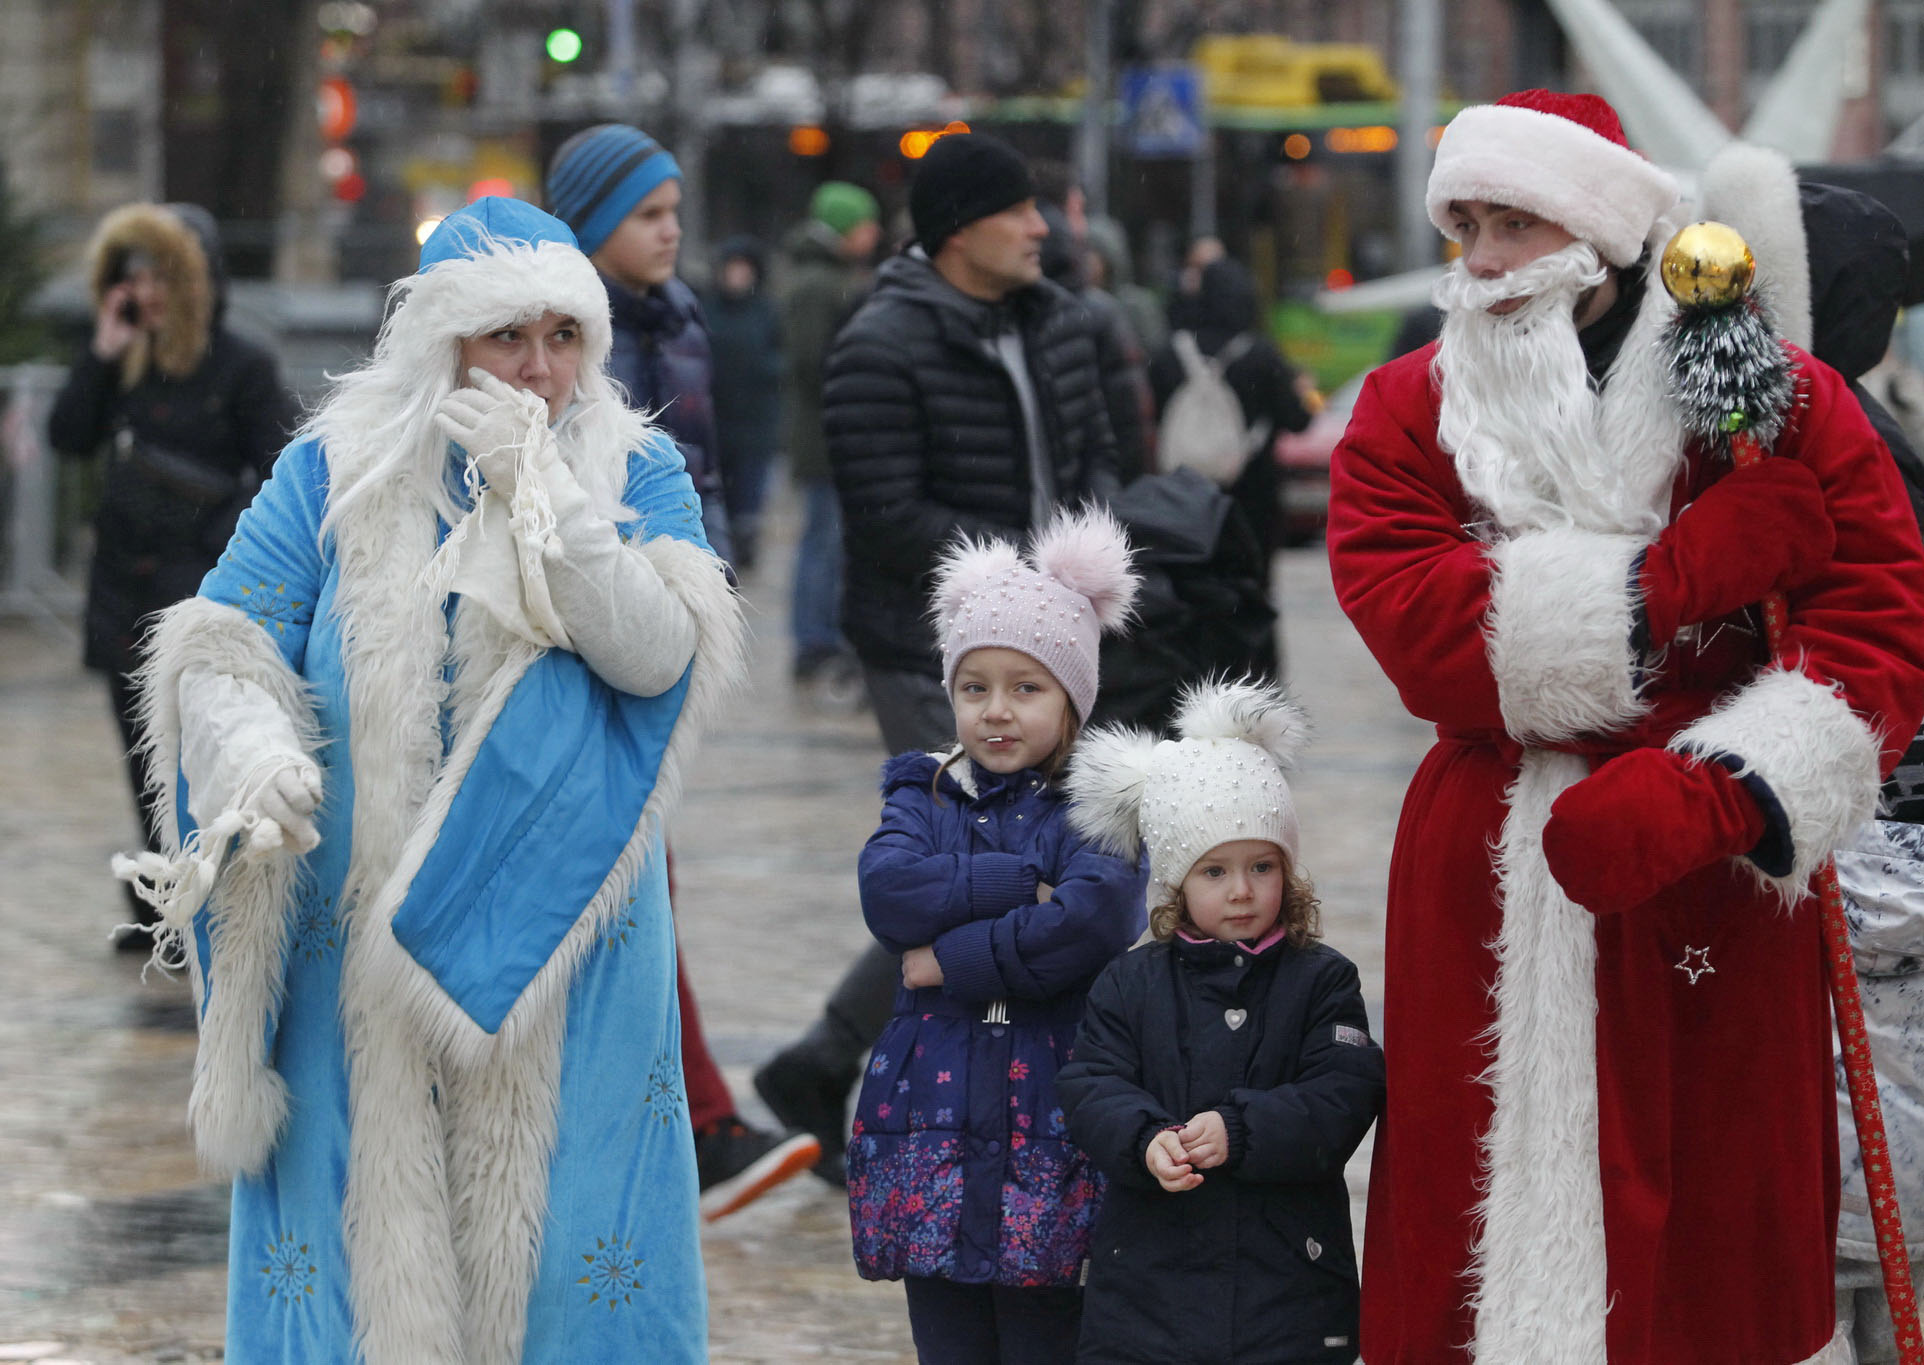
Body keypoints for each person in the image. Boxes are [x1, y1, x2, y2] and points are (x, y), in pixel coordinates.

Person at [1325, 89, 1924, 1363]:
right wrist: (1661, 587)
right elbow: (1417, 630)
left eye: (1513, 225)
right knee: (1478, 1191)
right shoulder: (1400, 410)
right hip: (1494, 853)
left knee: (1717, 1213)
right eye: (1464, 227)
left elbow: (1877, 623)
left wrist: (1732, 788)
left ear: (1599, 230)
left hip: (1713, 870)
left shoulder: (1777, 398)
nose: (1480, 264)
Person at [115, 197, 739, 1362]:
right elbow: (220, 644)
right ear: (439, 341)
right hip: (355, 925)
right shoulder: (329, 472)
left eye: (565, 337)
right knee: (360, 1238)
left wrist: (551, 503)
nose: (541, 369)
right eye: (509, 337)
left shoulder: (636, 465)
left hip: (571, 934)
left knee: (567, 1243)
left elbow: (657, 653)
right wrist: (251, 753)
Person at [754, 132, 1122, 1182]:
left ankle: (842, 1067)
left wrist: (1086, 566)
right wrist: (1012, 586)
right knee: (973, 868)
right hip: (930, 650)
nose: (1042, 227)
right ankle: (858, 1068)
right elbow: (884, 511)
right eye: (1021, 210)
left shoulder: (1059, 321)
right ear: (962, 228)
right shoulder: (881, 340)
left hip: (1059, 643)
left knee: (1024, 861)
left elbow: (1097, 453)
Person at [547, 124, 821, 1215]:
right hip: (590, 629)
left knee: (634, 875)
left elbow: (711, 453)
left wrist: (725, 549)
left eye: (673, 211)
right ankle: (695, 1124)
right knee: (632, 876)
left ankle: (669, 1123)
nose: (672, 233)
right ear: (595, 224)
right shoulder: (567, 332)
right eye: (648, 215)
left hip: (673, 619)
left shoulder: (680, 317)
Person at [1700, 142, 1924, 1365]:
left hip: (1860, 856)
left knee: (1841, 1219)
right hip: (1853, 856)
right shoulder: (1812, 437)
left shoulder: (1836, 452)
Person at [845, 506, 1147, 1364]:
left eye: (1026, 687)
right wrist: (1012, 881)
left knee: (1045, 1332)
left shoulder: (1098, 809)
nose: (997, 711)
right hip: (926, 1120)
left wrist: (947, 958)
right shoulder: (923, 793)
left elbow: (1088, 922)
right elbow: (890, 890)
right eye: (974, 687)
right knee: (947, 1334)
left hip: (1052, 1118)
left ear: (1072, 696)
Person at [1058, 679, 1384, 1363]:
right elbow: (1091, 1084)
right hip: (1147, 1299)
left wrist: (1241, 1129)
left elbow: (1343, 1093)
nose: (1242, 889)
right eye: (1215, 870)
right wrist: (1145, 1138)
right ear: (1176, 881)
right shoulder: (1130, 980)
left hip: (1287, 1293)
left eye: (1262, 865)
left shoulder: (1322, 978)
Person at [47, 200, 296, 948]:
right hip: (123, 584)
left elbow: (283, 470)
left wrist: (216, 541)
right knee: (140, 752)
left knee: (200, 753)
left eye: (159, 275)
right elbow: (69, 435)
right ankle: (160, 905)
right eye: (132, 277)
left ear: (193, 279)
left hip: (194, 589)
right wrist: (101, 350)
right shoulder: (127, 359)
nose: (146, 291)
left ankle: (211, 904)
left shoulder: (242, 364)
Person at [778, 180, 880, 685]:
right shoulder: (820, 284)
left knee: (825, 538)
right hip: (824, 436)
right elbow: (812, 361)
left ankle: (817, 635)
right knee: (823, 539)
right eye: (865, 223)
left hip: (826, 432)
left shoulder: (828, 278)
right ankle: (812, 640)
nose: (873, 232)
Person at [1148, 255, 1314, 558]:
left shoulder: (1169, 354)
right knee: (1248, 584)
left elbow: (1152, 415)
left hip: (1184, 496)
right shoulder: (1262, 355)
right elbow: (1297, 419)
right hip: (1252, 498)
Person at [702, 235, 783, 572]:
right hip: (716, 421)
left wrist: (762, 369)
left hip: (754, 422)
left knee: (751, 496)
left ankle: (745, 547)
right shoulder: (706, 309)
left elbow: (782, 357)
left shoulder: (765, 311)